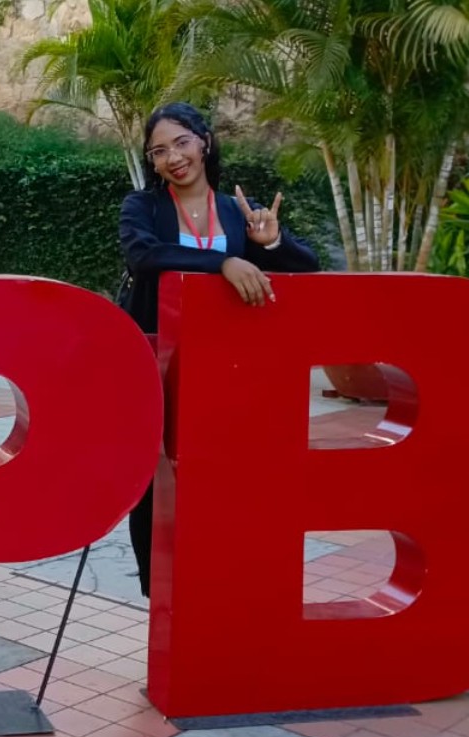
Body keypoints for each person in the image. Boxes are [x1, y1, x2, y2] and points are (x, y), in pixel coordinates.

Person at [120, 101, 320, 597]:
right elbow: (143, 254)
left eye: (182, 142)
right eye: (159, 151)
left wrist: (268, 245)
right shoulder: (143, 207)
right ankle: (161, 593)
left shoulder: (237, 212)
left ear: (205, 141)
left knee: (223, 490)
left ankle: (219, 594)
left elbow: (306, 266)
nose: (173, 158)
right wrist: (225, 263)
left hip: (229, 375)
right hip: (161, 367)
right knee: (157, 488)